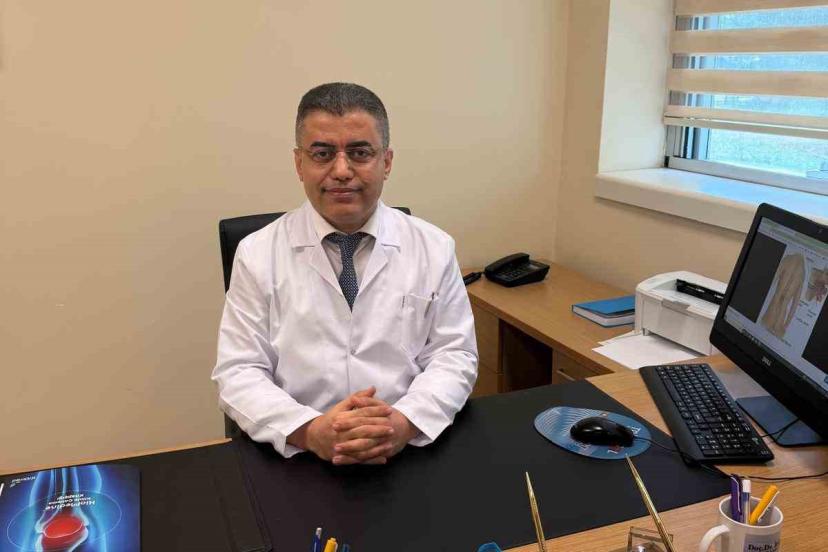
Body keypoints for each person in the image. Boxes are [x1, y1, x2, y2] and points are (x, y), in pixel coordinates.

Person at [212, 83, 478, 465]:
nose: (341, 171)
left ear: (386, 162)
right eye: (322, 154)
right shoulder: (256, 254)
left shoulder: (434, 247)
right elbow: (239, 371)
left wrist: (404, 423)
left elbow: (455, 355)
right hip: (297, 455)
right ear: (299, 163)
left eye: (360, 153)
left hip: (408, 450)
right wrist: (310, 431)